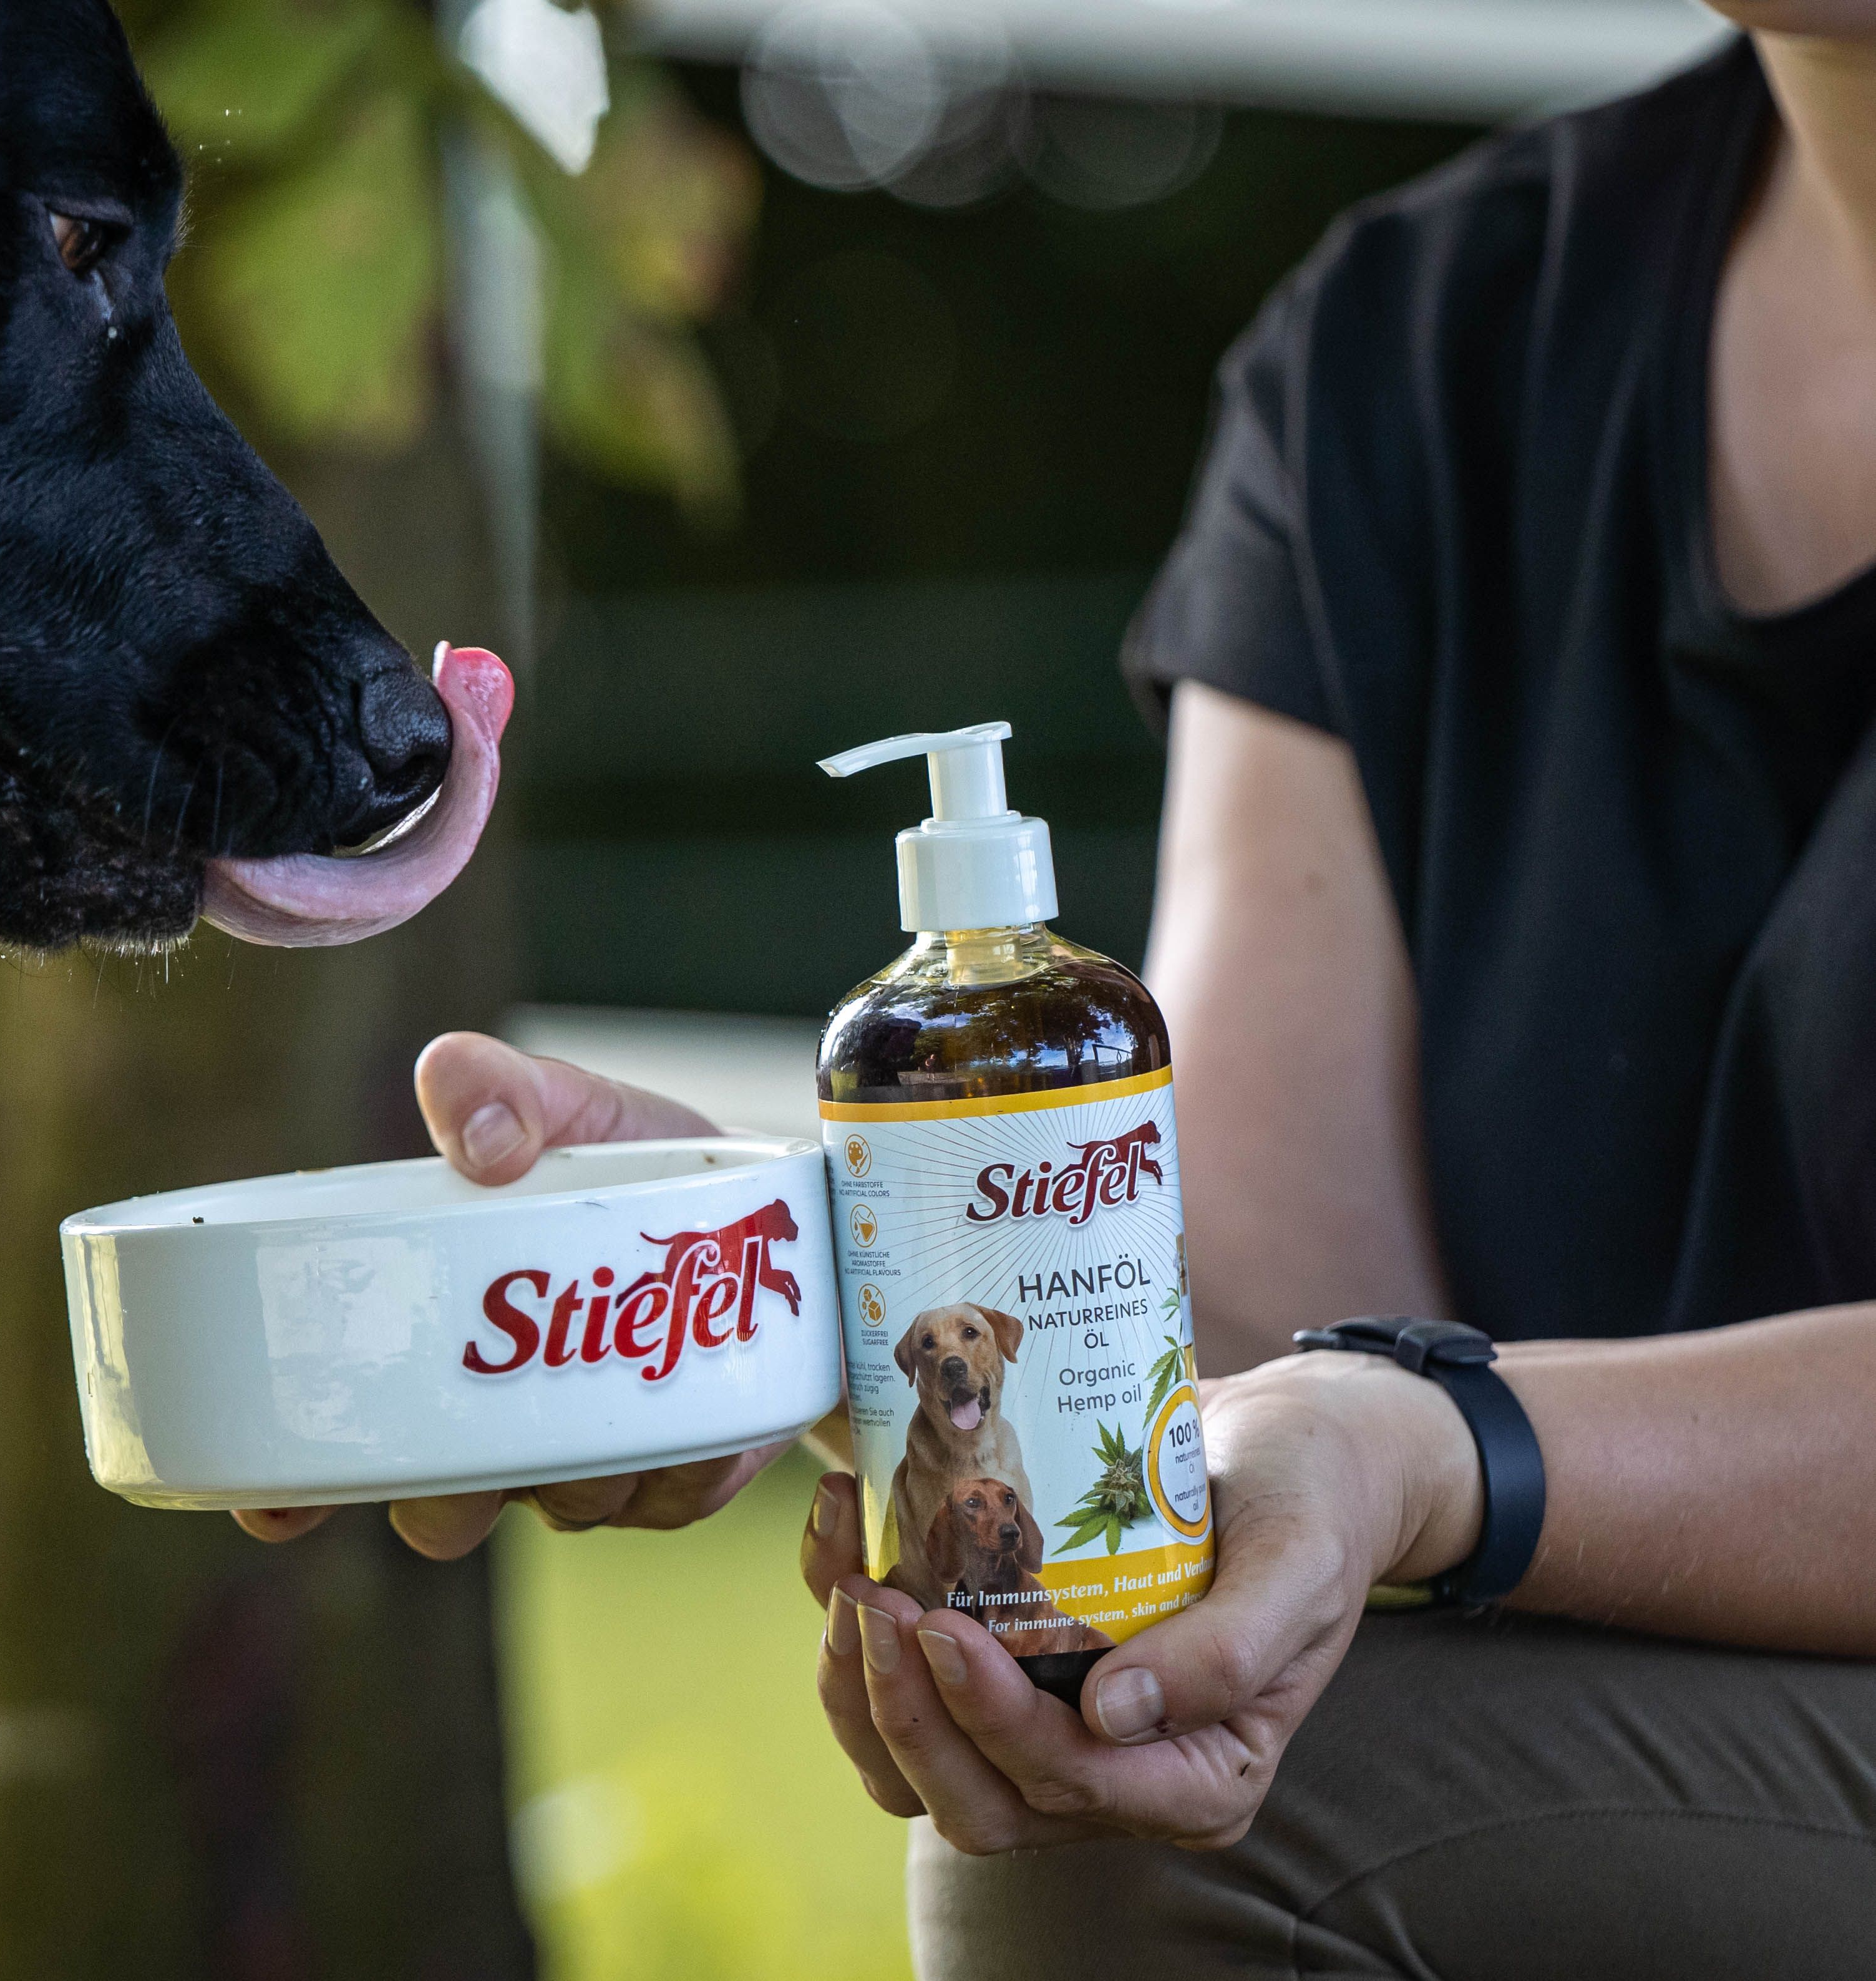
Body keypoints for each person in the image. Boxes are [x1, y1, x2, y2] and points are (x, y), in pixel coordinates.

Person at [241, 9, 1876, 1972]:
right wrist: (763, 1289)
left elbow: (1354, 1419)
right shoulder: (1413, 347)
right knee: (1114, 1758)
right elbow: (1250, 1320)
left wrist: (1437, 1452)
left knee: (1231, 1827)